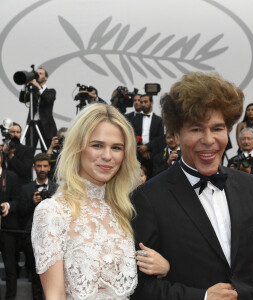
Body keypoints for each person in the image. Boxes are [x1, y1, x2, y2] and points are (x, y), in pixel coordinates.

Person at [131, 72, 253, 300]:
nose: (209, 139)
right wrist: (201, 297)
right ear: (175, 135)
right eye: (196, 129)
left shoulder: (249, 185)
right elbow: (140, 288)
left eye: (217, 128)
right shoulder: (148, 198)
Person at [31, 104, 168, 299]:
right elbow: (55, 296)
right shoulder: (52, 212)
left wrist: (164, 268)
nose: (107, 156)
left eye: (116, 148)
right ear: (78, 148)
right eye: (97, 145)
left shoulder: (125, 209)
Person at [22, 153, 57, 300]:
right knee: (36, 277)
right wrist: (32, 203)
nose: (42, 169)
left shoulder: (57, 188)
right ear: (34, 167)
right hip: (32, 237)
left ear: (49, 167)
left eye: (45, 166)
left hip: (54, 237)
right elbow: (21, 214)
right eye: (39, 166)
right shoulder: (26, 188)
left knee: (55, 276)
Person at [19, 67, 57, 152]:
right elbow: (22, 99)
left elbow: (48, 100)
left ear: (46, 77)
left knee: (47, 152)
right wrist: (24, 84)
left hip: (46, 126)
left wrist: (38, 87)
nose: (38, 75)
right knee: (28, 152)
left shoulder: (51, 91)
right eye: (37, 73)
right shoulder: (33, 92)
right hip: (32, 124)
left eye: (40, 73)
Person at [0, 151, 21, 300]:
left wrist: (8, 205)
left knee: (10, 267)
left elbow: (19, 200)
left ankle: (10, 297)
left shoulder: (12, 177)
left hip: (8, 228)